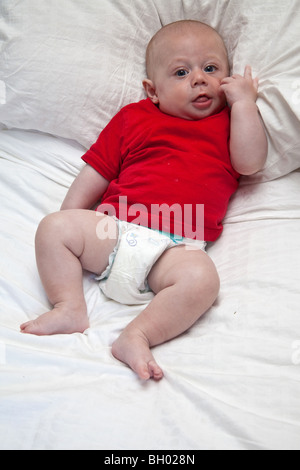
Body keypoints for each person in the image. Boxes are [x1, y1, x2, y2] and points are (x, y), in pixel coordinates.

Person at [20, 20, 268, 381]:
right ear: (153, 90)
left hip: (173, 252)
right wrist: (73, 222)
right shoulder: (133, 118)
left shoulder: (229, 122)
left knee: (203, 280)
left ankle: (137, 335)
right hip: (115, 231)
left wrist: (245, 103)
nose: (199, 78)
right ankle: (69, 306)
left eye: (211, 69)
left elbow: (250, 162)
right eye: (181, 72)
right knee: (54, 227)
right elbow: (96, 172)